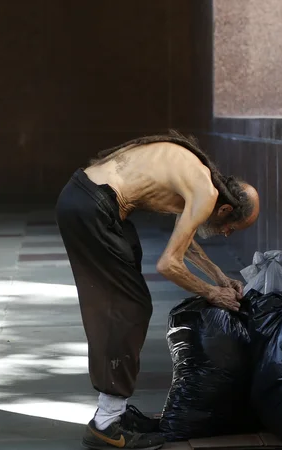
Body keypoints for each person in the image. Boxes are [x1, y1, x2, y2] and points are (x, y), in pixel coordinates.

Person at [55, 131, 260, 449]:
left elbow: (186, 243)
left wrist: (219, 276)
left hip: (89, 199)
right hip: (93, 206)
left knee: (126, 304)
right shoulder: (204, 192)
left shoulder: (200, 177)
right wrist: (211, 292)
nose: (229, 234)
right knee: (126, 309)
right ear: (223, 210)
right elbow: (168, 264)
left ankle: (115, 414)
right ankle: (106, 424)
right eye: (233, 227)